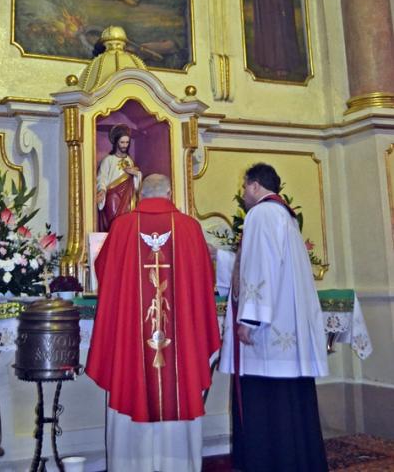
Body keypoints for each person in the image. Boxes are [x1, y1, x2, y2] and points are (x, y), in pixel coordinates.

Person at [86, 173, 221, 472]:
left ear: (139, 195)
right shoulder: (189, 228)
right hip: (180, 342)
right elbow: (205, 282)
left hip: (133, 340)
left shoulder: (121, 227)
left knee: (130, 375)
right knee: (178, 380)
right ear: (170, 193)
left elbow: (104, 272)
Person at [217, 163, 329, 472]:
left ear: (255, 185)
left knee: (267, 403)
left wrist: (249, 319)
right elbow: (262, 263)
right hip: (285, 325)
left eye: (244, 186)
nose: (243, 193)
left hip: (268, 333)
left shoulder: (261, 214)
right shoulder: (284, 215)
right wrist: (222, 259)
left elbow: (260, 266)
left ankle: (268, 462)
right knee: (290, 403)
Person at [96, 124, 141, 232]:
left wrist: (136, 174)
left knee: (126, 222)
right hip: (112, 196)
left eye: (127, 142)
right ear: (116, 142)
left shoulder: (129, 160)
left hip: (127, 196)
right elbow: (102, 177)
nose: (125, 145)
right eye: (122, 142)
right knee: (113, 222)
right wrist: (102, 190)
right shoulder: (108, 160)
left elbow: (135, 184)